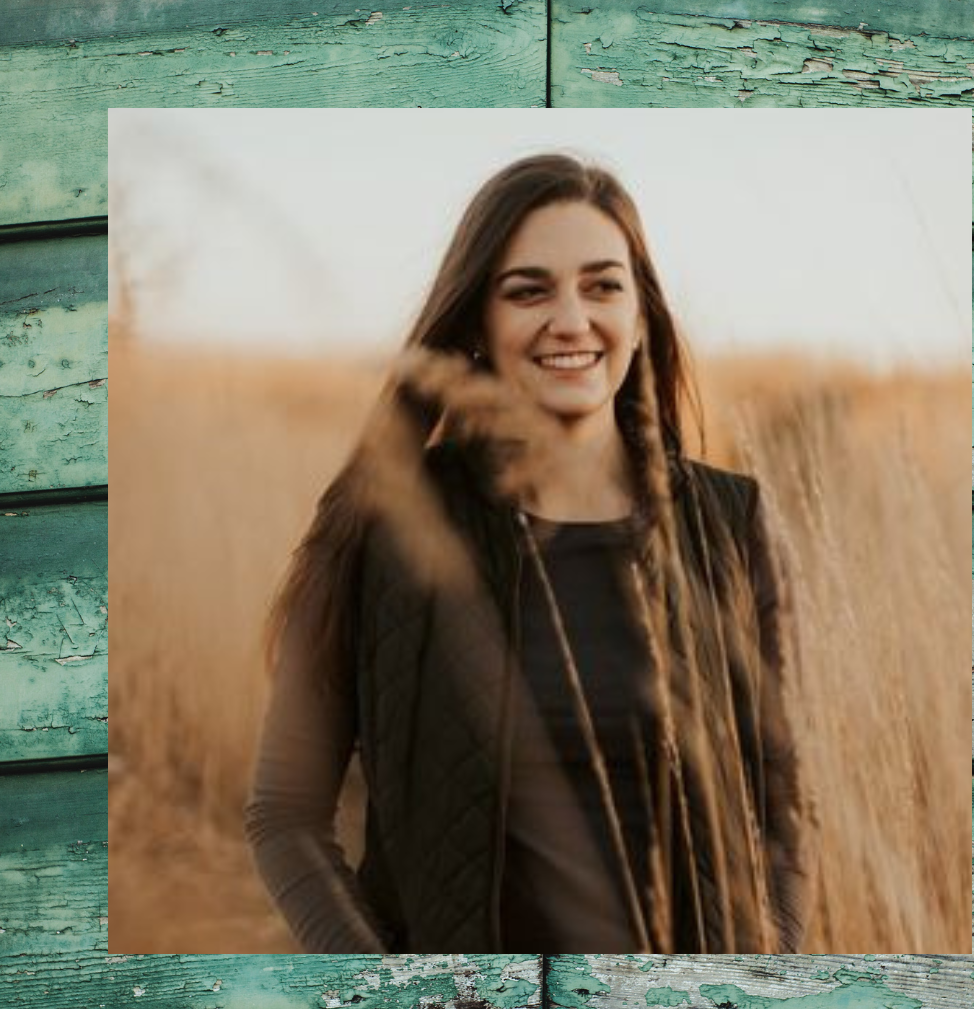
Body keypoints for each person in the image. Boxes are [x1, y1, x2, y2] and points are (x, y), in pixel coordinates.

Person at [244, 153, 807, 954]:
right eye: (529, 290)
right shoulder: (386, 519)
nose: (571, 320)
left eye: (603, 285)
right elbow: (285, 815)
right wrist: (397, 1005)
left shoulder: (732, 521)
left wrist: (758, 989)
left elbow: (780, 810)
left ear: (642, 312)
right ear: (477, 320)